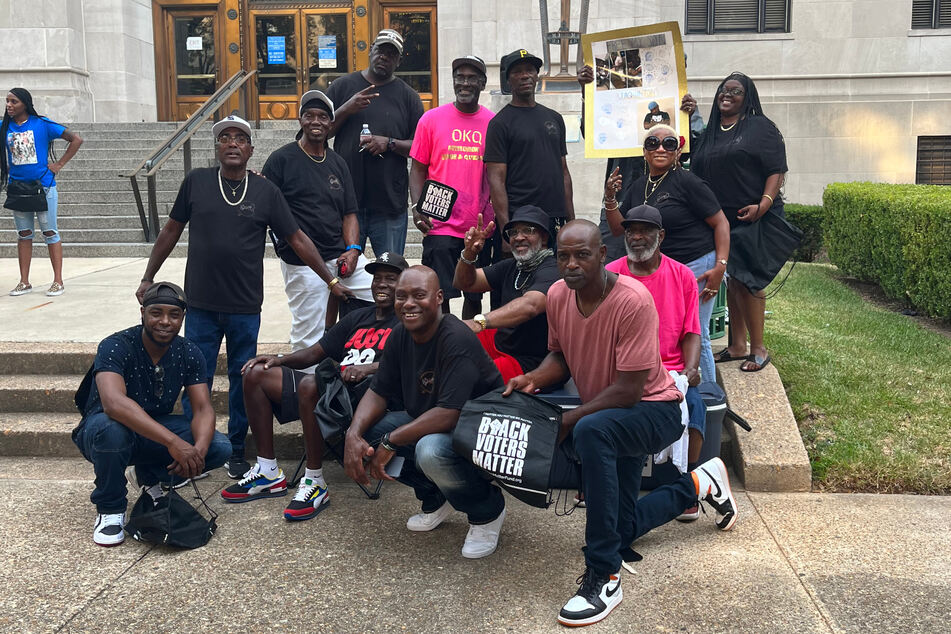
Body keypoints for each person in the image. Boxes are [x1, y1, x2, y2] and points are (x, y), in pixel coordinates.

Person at [504, 220, 738, 627]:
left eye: (582, 254)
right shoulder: (559, 295)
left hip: (655, 410)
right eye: (563, 255)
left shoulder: (633, 300)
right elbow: (559, 358)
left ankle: (604, 575)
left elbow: (629, 390)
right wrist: (533, 379)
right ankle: (703, 482)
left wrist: (570, 420)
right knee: (621, 526)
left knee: (591, 431)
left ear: (602, 256)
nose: (571, 264)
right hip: (609, 415)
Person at [135, 115, 352, 480]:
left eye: (240, 138)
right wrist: (148, 276)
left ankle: (236, 449)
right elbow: (171, 230)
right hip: (201, 305)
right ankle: (194, 449)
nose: (233, 143)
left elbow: (297, 238)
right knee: (196, 378)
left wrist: (330, 281)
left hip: (244, 307)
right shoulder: (197, 183)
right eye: (225, 138)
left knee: (242, 379)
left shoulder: (266, 191)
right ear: (217, 146)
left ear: (251, 149)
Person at [221, 252, 407, 521]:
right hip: (330, 390)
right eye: (378, 278)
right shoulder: (359, 316)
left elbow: (409, 364)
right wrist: (278, 359)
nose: (382, 284)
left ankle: (315, 482)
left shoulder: (407, 322)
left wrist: (368, 368)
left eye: (391, 279)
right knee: (256, 373)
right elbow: (315, 352)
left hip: (367, 399)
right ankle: (268, 471)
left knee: (311, 384)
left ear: (404, 284)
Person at [343, 266, 507, 559]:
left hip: (479, 427)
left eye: (419, 295)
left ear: (439, 298)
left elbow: (449, 413)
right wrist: (352, 434)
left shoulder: (455, 337)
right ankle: (435, 497)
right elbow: (378, 391)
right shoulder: (399, 336)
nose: (408, 303)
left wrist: (391, 441)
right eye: (402, 296)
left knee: (430, 451)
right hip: (432, 419)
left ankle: (487, 511)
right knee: (369, 431)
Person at [72, 282, 231, 546]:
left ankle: (149, 477)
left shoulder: (189, 351)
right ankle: (110, 509)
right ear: (143, 312)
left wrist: (197, 452)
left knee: (219, 446)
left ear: (183, 318)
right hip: (103, 427)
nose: (165, 321)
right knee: (112, 431)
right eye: (156, 313)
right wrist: (174, 442)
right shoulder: (115, 345)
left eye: (174, 314)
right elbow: (113, 403)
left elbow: (203, 408)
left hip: (152, 427)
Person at [604, 124, 730, 387]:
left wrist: (720, 266)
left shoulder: (688, 182)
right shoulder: (640, 186)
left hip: (696, 264)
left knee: (696, 333)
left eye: (669, 144)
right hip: (663, 268)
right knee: (663, 332)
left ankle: (707, 398)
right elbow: (619, 228)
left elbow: (721, 223)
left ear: (678, 151)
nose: (660, 148)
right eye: (653, 143)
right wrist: (610, 198)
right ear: (644, 152)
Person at [605, 204, 708, 520]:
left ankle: (685, 483)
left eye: (645, 231)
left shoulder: (682, 276)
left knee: (696, 407)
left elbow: (691, 331)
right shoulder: (610, 274)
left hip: (670, 372)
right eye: (631, 231)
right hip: (622, 371)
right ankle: (593, 480)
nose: (636, 237)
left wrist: (690, 370)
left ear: (660, 236)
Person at [690, 72, 787, 373]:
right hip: (722, 219)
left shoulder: (760, 127)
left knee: (749, 279)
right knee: (732, 281)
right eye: (723, 90)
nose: (727, 95)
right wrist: (689, 114)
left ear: (748, 98)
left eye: (736, 91)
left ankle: (758, 349)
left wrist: (764, 204)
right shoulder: (712, 133)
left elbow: (776, 170)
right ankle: (737, 345)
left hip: (753, 214)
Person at [262, 90, 374, 350]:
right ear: (300, 120)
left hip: (338, 255)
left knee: (384, 294)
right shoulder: (281, 160)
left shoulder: (337, 162)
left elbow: (349, 213)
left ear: (330, 122)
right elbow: (273, 215)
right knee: (308, 332)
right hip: (301, 262)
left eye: (323, 116)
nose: (316, 121)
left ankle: (350, 351)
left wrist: (353, 250)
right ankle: (304, 386)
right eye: (309, 115)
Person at [409, 55, 495, 318]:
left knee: (474, 293)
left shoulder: (494, 123)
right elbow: (418, 168)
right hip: (439, 222)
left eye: (471, 78)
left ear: (482, 83)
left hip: (478, 224)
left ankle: (468, 344)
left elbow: (498, 174)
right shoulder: (431, 119)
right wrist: (416, 207)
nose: (465, 83)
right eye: (460, 77)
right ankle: (443, 344)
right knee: (440, 294)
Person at [326, 29, 424, 255]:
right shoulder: (342, 87)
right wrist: (346, 109)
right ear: (370, 50)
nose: (384, 57)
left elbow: (420, 147)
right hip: (346, 203)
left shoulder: (408, 96)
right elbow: (320, 132)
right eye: (381, 50)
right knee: (344, 275)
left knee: (390, 276)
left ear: (398, 61)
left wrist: (389, 143)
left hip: (389, 205)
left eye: (392, 54)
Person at [452, 205, 559, 383]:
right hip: (501, 343)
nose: (519, 237)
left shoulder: (552, 269)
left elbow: (530, 306)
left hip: (530, 361)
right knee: (448, 339)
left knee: (464, 377)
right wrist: (469, 253)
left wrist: (479, 322)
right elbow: (465, 283)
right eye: (514, 232)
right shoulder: (512, 266)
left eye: (528, 230)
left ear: (545, 236)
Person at [485, 49, 574, 249]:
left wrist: (572, 219)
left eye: (530, 70)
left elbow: (564, 172)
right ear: (508, 80)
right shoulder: (500, 124)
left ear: (536, 75)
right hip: (521, 219)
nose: (525, 75)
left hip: (555, 218)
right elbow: (496, 180)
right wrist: (505, 230)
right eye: (517, 71)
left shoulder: (554, 118)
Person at [2, 87, 82, 297]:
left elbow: (76, 139)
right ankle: (24, 282)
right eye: (7, 101)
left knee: (50, 232)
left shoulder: (42, 124)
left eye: (14, 102)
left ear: (25, 104)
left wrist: (59, 164)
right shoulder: (4, 126)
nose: (9, 105)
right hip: (17, 188)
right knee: (24, 234)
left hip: (43, 186)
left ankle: (58, 281)